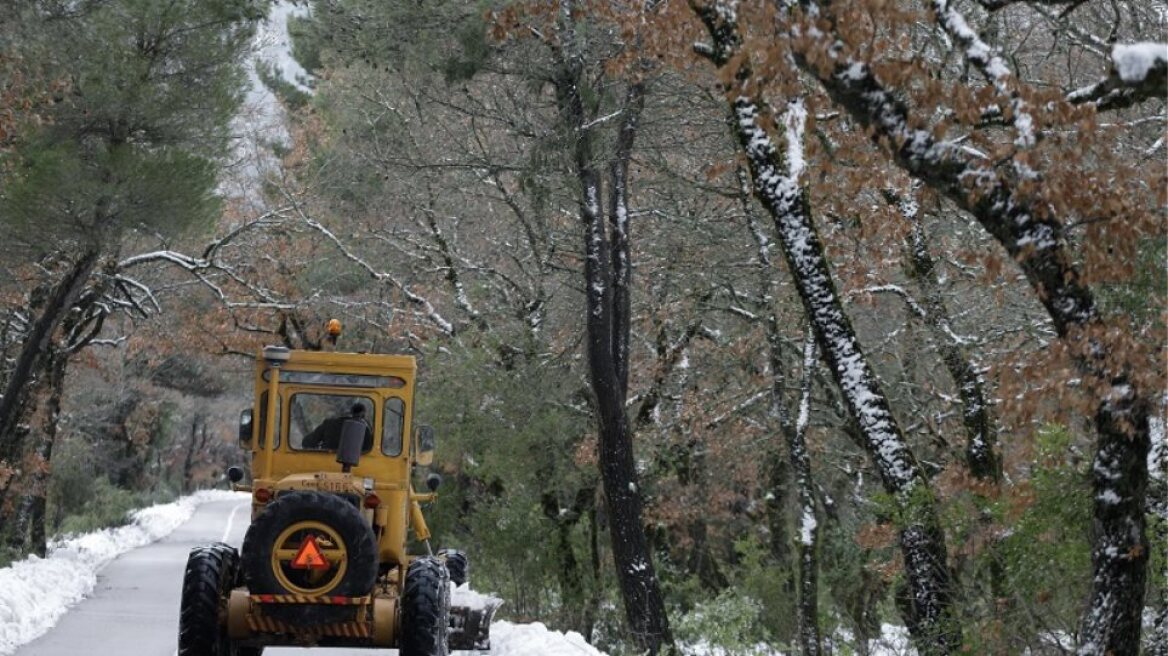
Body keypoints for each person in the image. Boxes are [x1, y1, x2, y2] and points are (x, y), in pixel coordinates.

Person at [302, 403, 373, 452]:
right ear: (362, 415)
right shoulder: (364, 429)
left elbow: (307, 443)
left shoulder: (329, 424)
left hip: (325, 464)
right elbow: (368, 449)